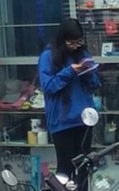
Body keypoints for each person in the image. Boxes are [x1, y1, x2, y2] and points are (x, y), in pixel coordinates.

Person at [38, 18, 101, 180]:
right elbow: (49, 86)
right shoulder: (48, 56)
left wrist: (88, 72)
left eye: (78, 42)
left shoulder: (82, 53)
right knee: (65, 167)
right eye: (71, 43)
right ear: (62, 40)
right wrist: (69, 71)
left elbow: (94, 84)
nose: (75, 46)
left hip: (84, 118)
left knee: (83, 167)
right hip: (62, 120)